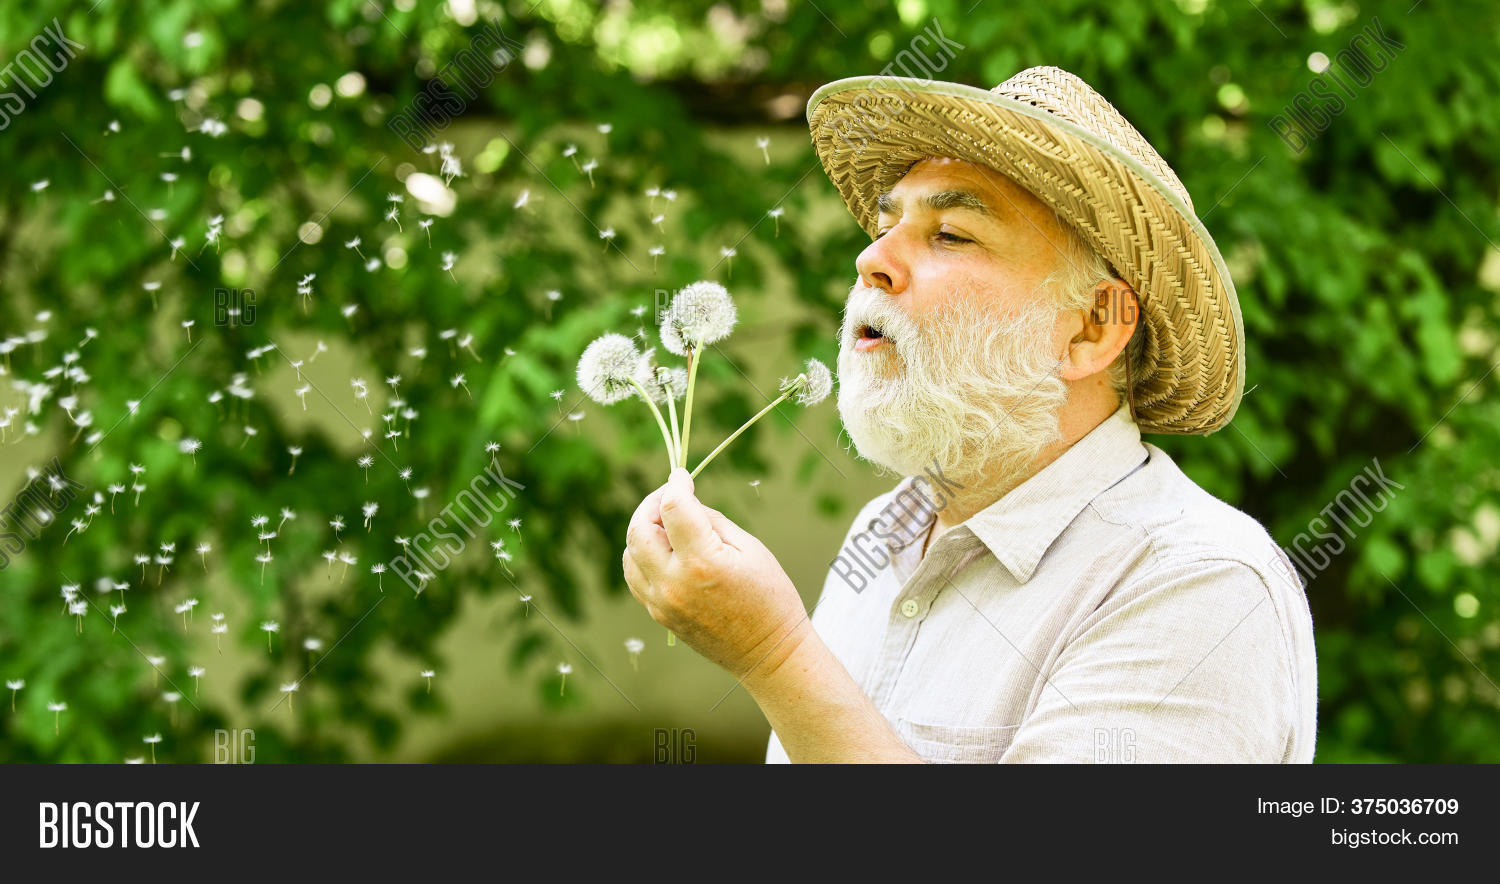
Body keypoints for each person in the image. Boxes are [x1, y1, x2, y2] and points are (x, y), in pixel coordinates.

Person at [622, 66, 1316, 763]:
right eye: (887, 224)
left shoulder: (1199, 584)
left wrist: (773, 655)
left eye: (951, 234)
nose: (871, 259)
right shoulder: (885, 533)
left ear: (1092, 329)